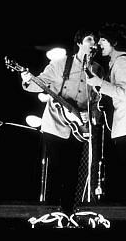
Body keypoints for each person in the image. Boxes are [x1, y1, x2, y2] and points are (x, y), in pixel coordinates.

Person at [20, 28, 104, 215]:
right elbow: (38, 83)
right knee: (55, 170)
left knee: (72, 171)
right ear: (80, 42)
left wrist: (90, 116)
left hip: (79, 127)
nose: (93, 44)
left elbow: (98, 101)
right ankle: (50, 213)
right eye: (90, 39)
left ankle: (67, 213)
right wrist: (26, 79)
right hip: (56, 125)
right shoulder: (60, 64)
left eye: (96, 41)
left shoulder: (97, 69)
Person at [86, 22, 126, 205]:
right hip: (125, 125)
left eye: (103, 40)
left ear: (113, 42)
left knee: (125, 170)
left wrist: (99, 83)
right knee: (124, 170)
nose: (99, 44)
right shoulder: (119, 62)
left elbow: (123, 93)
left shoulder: (123, 62)